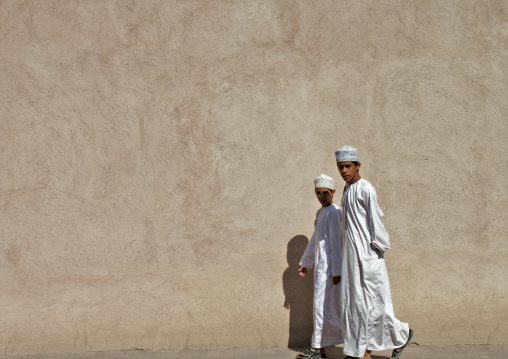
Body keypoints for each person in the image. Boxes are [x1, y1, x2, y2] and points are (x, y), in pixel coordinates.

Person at [335, 145, 413, 359]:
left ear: (358, 165)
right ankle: (357, 349)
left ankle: (382, 343)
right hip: (351, 256)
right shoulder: (347, 189)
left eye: (348, 166)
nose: (344, 171)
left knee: (372, 302)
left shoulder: (366, 188)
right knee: (354, 302)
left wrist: (376, 252)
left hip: (368, 256)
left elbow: (376, 220)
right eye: (340, 167)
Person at [297, 174, 343, 359]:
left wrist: (337, 272)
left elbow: (338, 243)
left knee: (325, 307)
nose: (322, 196)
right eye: (318, 193)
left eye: (325, 192)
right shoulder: (321, 212)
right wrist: (305, 262)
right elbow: (316, 239)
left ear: (333, 192)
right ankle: (319, 348)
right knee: (321, 307)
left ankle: (318, 349)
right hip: (322, 269)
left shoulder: (334, 212)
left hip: (331, 270)